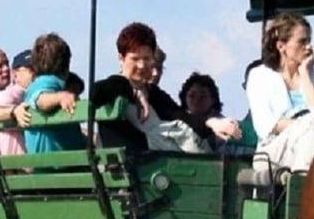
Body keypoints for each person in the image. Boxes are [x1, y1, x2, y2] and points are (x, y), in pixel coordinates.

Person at [90, 22, 240, 154]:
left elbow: (181, 116)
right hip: (139, 170)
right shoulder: (115, 86)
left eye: (147, 59)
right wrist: (134, 92)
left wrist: (212, 123)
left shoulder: (152, 92)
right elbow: (96, 92)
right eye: (135, 59)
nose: (142, 66)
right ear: (121, 58)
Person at [246, 12, 314, 177]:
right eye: (302, 41)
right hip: (272, 152)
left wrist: (305, 75)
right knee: (311, 122)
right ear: (281, 46)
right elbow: (266, 124)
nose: (309, 47)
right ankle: (302, 185)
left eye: (309, 41)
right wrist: (307, 126)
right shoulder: (260, 76)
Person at [17, 33, 85, 153]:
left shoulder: (42, 82)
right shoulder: (47, 82)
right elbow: (40, 100)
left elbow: (78, 83)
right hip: (63, 165)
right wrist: (60, 97)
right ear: (66, 63)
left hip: (56, 163)